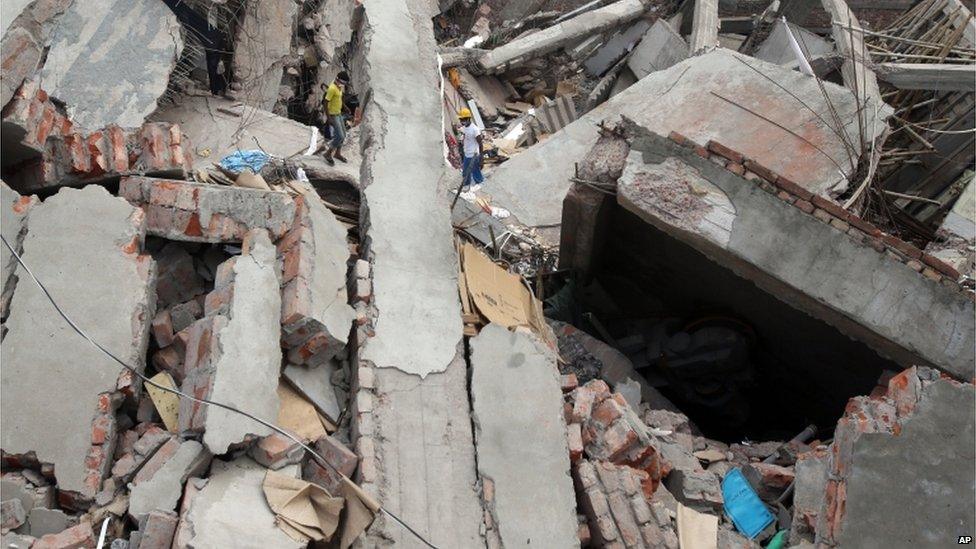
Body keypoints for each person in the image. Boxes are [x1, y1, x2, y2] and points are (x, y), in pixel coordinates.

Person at [322, 71, 350, 166]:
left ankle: (337, 153)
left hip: (338, 113)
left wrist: (345, 107)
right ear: (338, 79)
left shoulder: (339, 86)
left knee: (344, 134)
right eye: (343, 82)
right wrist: (328, 117)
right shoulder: (332, 88)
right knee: (340, 136)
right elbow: (325, 102)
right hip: (333, 115)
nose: (343, 84)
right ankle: (328, 153)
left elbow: (339, 98)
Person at [458, 108, 483, 190]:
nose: (462, 121)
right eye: (461, 119)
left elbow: (480, 144)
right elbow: (463, 132)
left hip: (473, 154)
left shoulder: (475, 130)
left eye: (464, 119)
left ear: (469, 119)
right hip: (467, 153)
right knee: (466, 171)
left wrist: (481, 158)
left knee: (473, 170)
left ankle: (478, 183)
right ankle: (467, 184)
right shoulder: (464, 128)